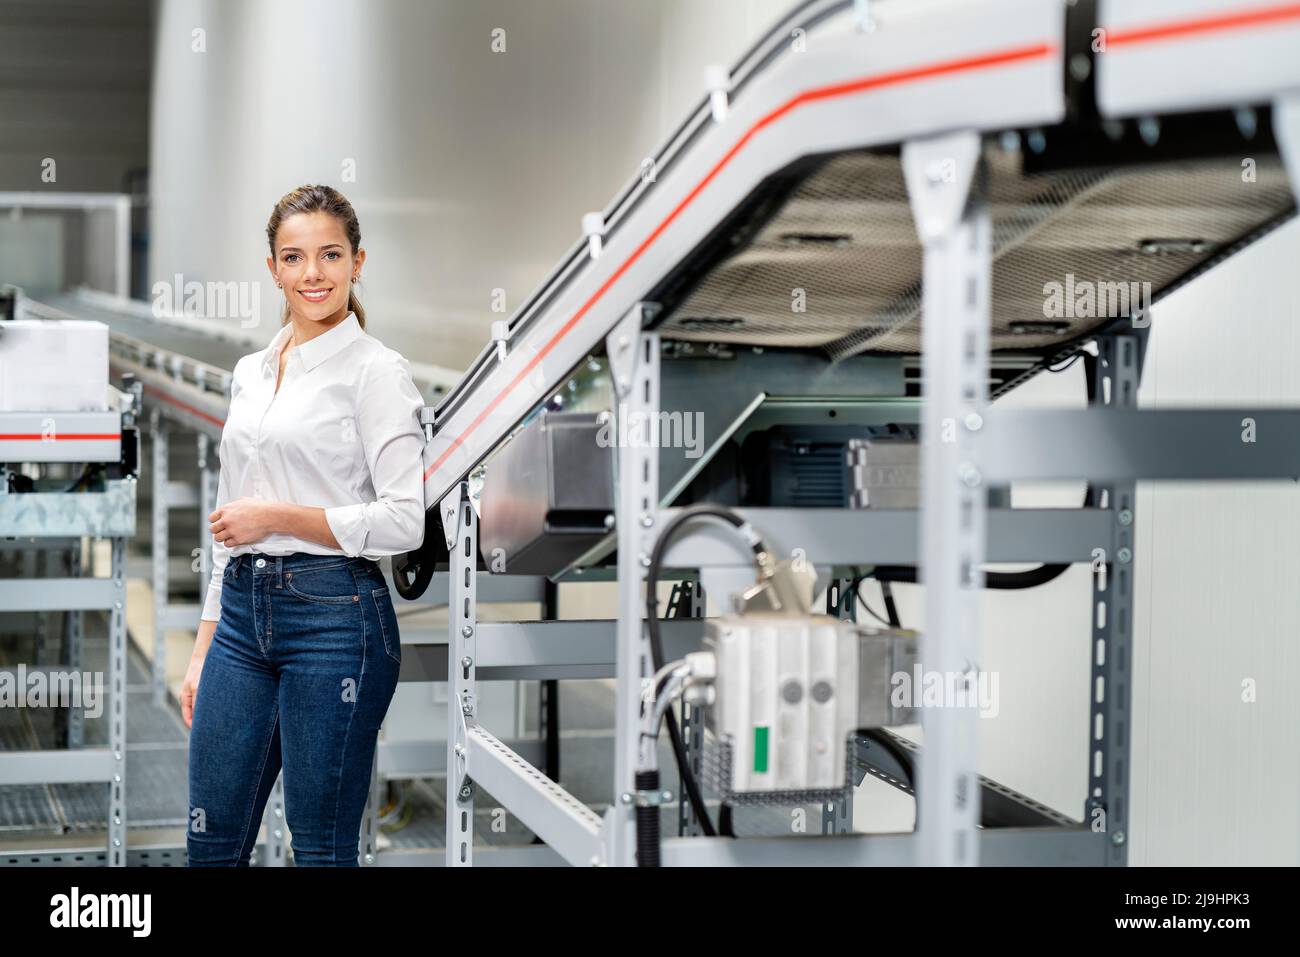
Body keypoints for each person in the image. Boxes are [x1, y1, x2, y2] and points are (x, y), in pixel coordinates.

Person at [181, 184, 426, 866]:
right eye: (294, 257)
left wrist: (280, 517)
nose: (312, 273)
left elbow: (405, 519)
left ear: (357, 261)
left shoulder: (377, 373)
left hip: (337, 617)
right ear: (273, 269)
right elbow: (232, 527)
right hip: (239, 617)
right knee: (211, 840)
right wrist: (202, 650)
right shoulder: (250, 372)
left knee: (319, 847)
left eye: (329, 255)